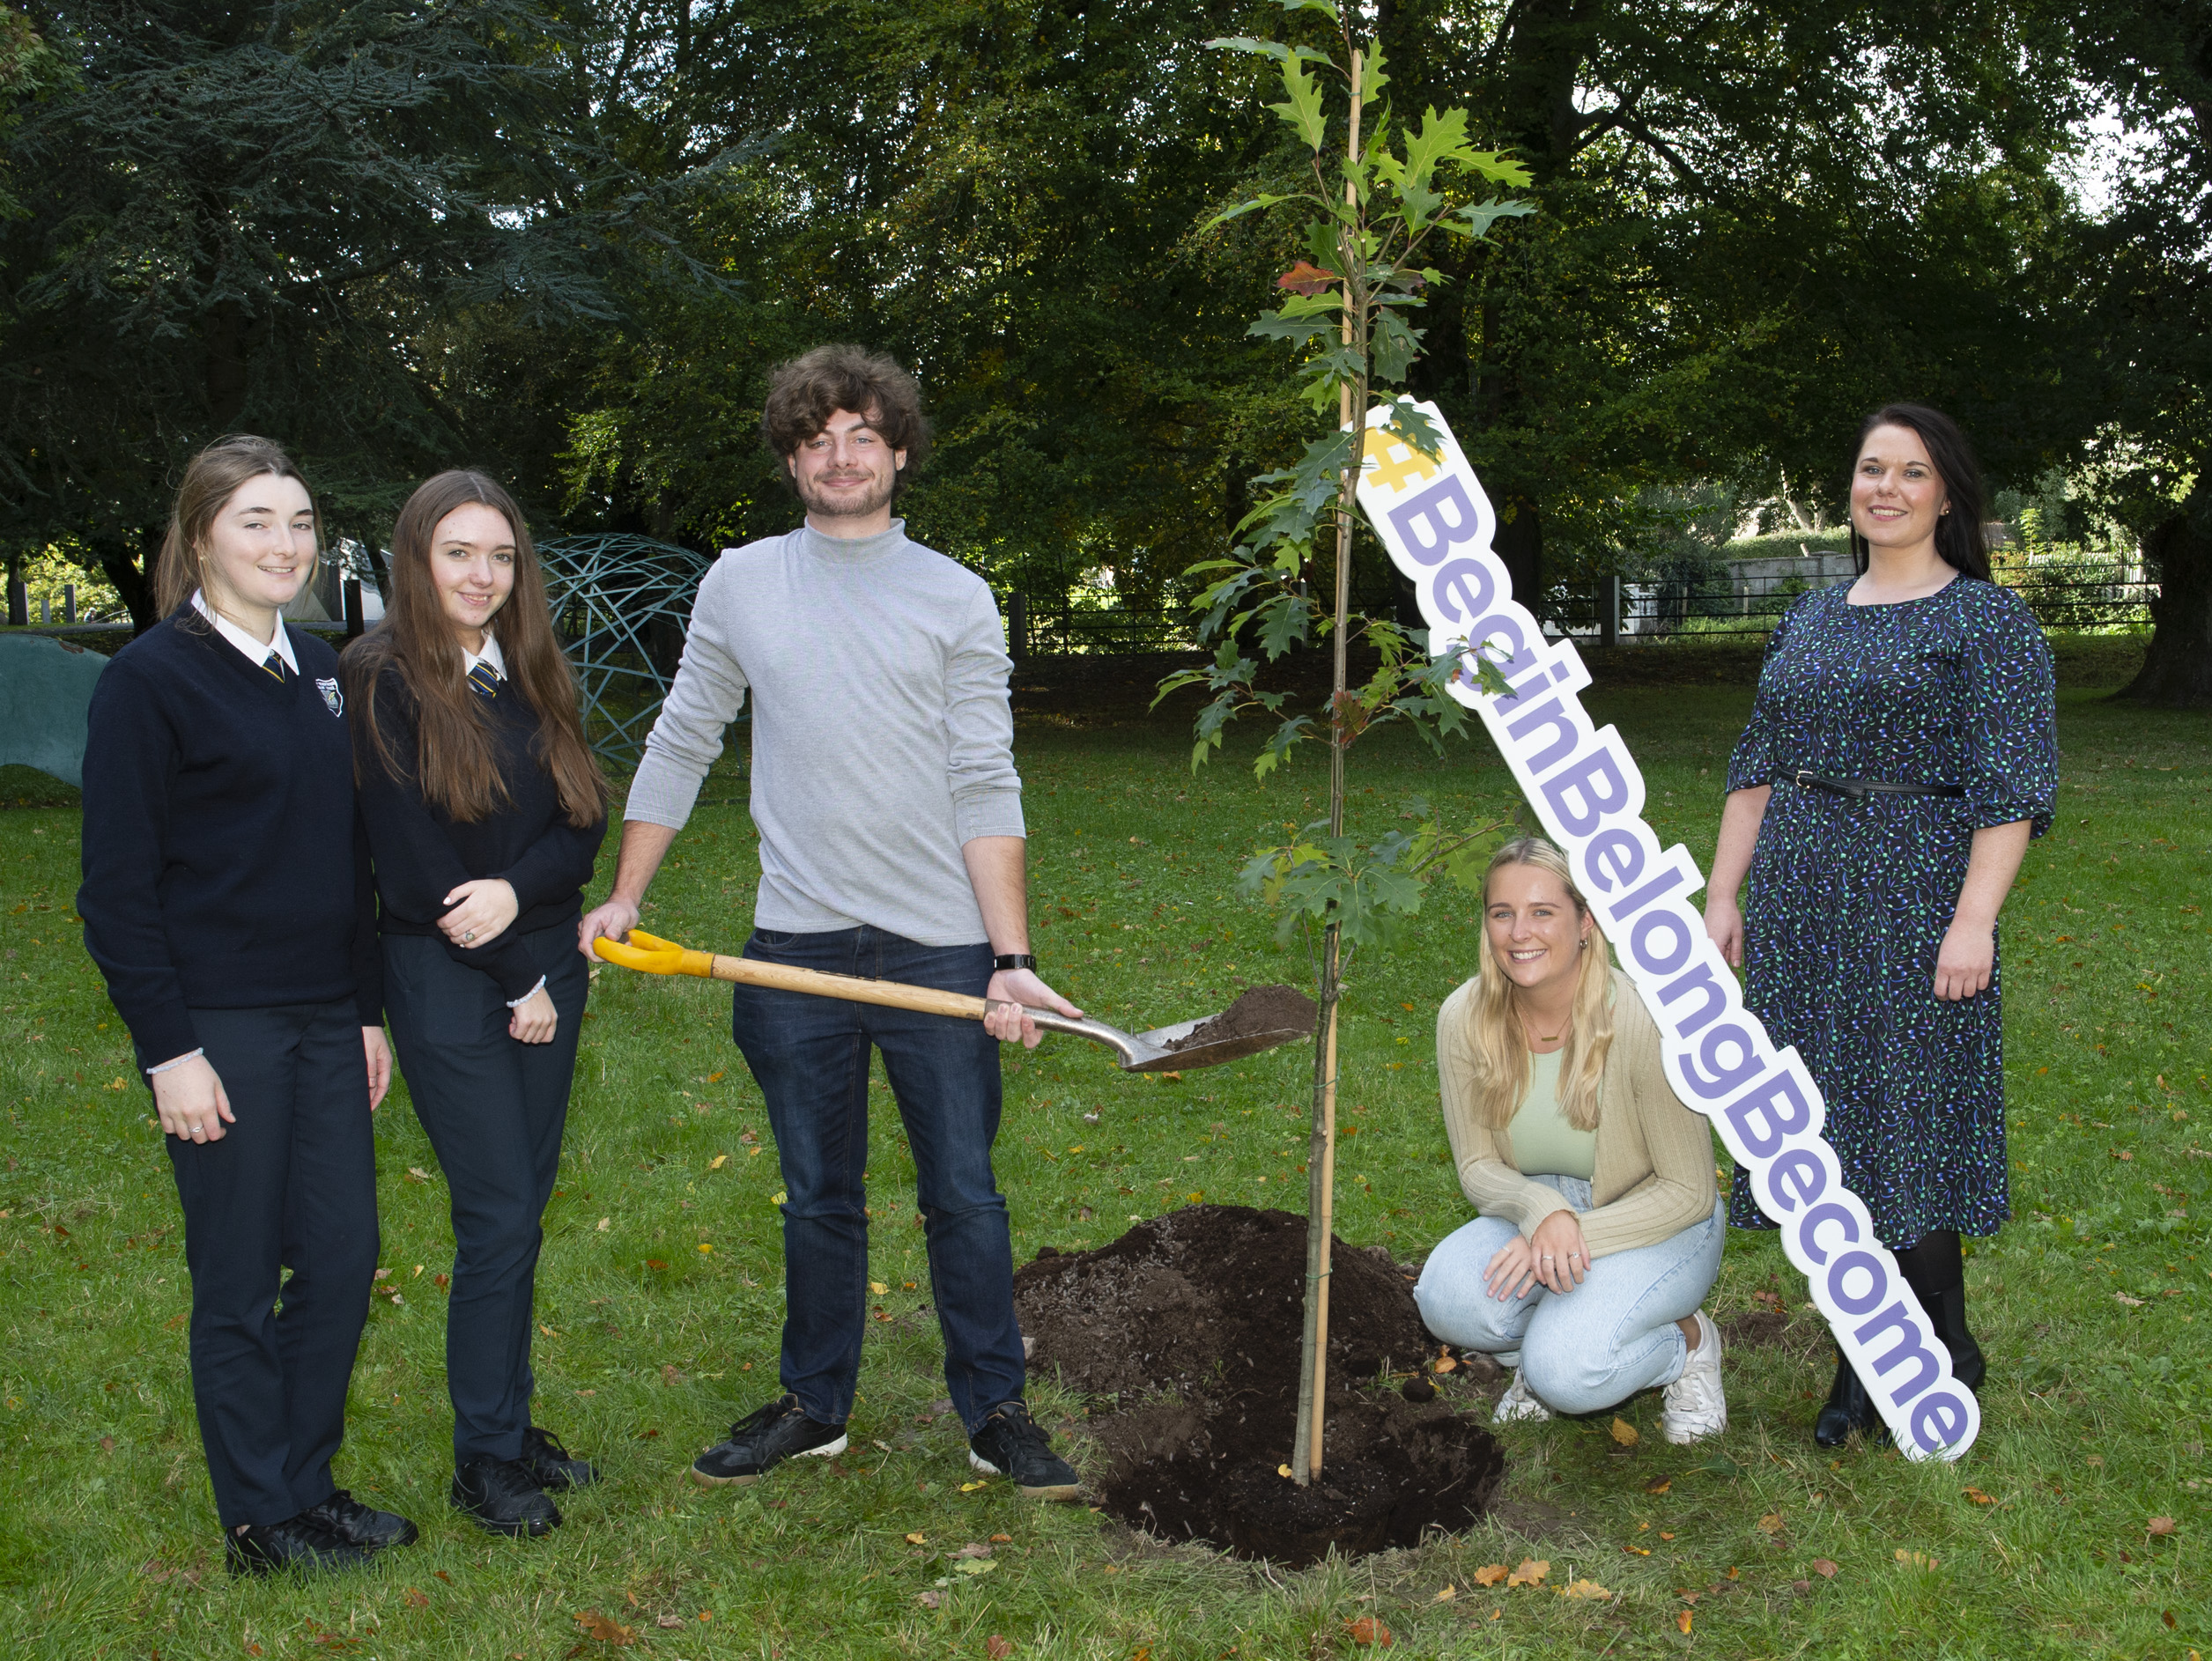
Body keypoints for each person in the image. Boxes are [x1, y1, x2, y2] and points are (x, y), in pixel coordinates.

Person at [578, 343, 1086, 1499]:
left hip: (940, 948)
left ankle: (994, 1410)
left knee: (961, 1187)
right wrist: (626, 893)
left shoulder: (955, 596)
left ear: (898, 449)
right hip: (794, 946)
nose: (840, 455)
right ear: (791, 459)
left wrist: (1009, 957)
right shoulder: (740, 583)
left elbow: (983, 777)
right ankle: (814, 1403)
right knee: (819, 1191)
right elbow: (681, 738)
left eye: (861, 433)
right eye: (816, 438)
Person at [78, 435, 414, 1574]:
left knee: (338, 1254)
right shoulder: (148, 680)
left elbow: (347, 856)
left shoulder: (322, 668)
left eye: (301, 522)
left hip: (326, 1013)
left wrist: (366, 1010)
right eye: (257, 522)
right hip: (219, 1024)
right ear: (201, 535)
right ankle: (258, 1518)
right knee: (236, 1273)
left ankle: (309, 1483)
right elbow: (116, 891)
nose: (285, 544)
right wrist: (167, 1049)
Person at [1702, 402, 2055, 1449]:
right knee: (1820, 1126)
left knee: (1908, 1127)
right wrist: (1725, 895)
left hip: (1915, 899)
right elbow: (1755, 767)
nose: (1886, 488)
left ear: (1948, 492)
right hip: (1803, 899)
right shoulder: (1807, 619)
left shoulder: (1990, 624)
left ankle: (1889, 1353)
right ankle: (1927, 1336)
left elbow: (2013, 789)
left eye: (1911, 471)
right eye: (1870, 469)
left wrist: (1973, 920)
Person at [344, 471, 609, 1536]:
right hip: (456, 980)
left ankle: (509, 1422)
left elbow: (584, 825)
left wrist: (519, 899)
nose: (481, 575)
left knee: (519, 1212)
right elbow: (412, 870)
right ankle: (484, 1461)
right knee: (497, 1213)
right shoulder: (380, 681)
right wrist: (518, 972)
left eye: (499, 556)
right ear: (417, 558)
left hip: (546, 964)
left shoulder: (530, 667)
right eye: (459, 552)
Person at [1414, 837, 1727, 1444]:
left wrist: (1575, 1232)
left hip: (1658, 1221)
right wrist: (1544, 1213)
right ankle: (1555, 1337)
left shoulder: (1642, 1017)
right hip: (1545, 1212)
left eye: (1541, 912)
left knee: (1568, 1373)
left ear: (1584, 922)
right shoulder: (1463, 1017)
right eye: (1501, 913)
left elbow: (1689, 1192)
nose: (1517, 932)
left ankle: (1684, 1345)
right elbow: (1478, 1166)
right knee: (1448, 1300)